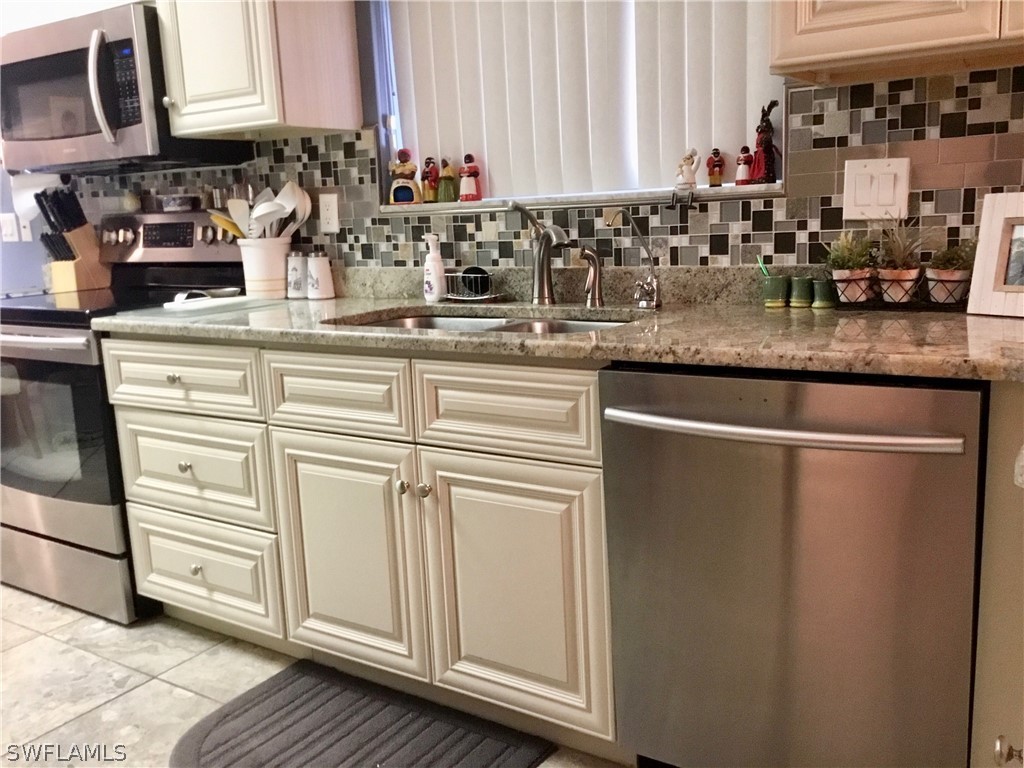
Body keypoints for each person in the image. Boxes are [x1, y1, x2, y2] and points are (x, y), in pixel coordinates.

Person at [749, 100, 782, 185]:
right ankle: (763, 177)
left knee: (763, 168)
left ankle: (764, 177)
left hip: (763, 155)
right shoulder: (764, 136)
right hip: (763, 155)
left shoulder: (761, 136)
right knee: (763, 168)